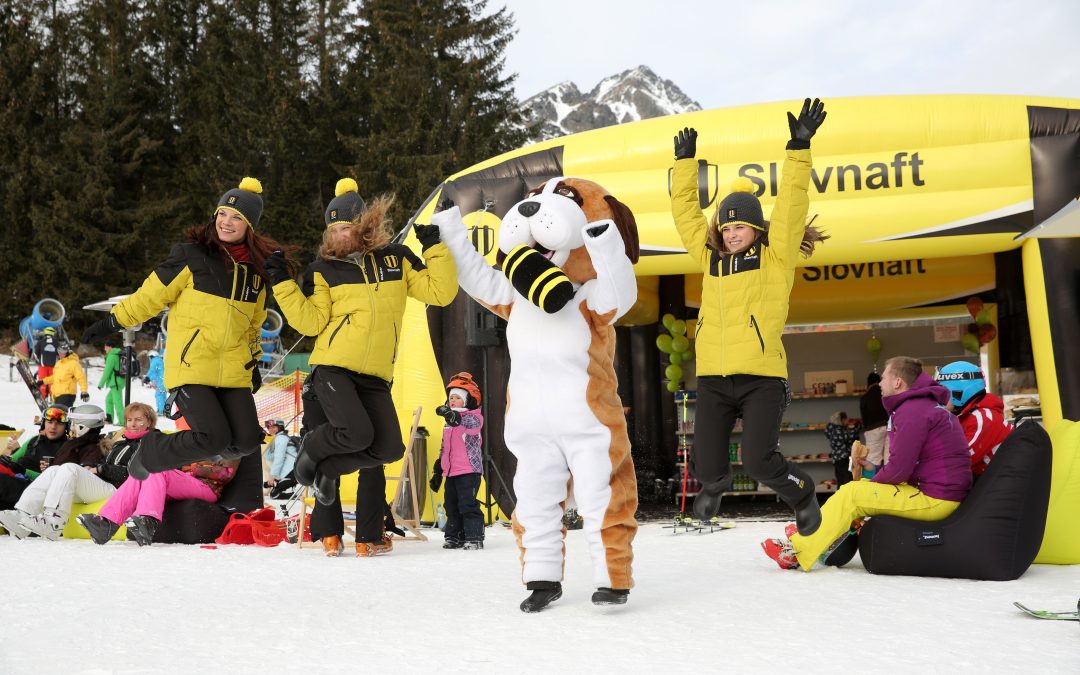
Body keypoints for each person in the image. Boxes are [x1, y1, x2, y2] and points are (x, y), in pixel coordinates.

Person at [670, 98, 830, 535]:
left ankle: (802, 492)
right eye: (725, 227)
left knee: (758, 461)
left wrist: (798, 148)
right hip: (715, 375)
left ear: (756, 229)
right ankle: (714, 487)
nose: (730, 232)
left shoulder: (775, 256)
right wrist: (685, 165)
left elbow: (793, 204)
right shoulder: (710, 258)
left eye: (739, 227)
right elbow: (686, 216)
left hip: (761, 375)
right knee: (707, 461)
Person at [79, 177, 298, 480]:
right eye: (222, 213)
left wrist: (253, 362)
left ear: (250, 225)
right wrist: (112, 321)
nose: (227, 222)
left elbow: (252, 325)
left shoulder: (255, 274)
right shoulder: (191, 255)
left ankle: (187, 459)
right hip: (192, 365)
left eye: (237, 217)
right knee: (212, 437)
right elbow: (149, 296)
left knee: (247, 441)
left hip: (234, 370)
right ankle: (150, 450)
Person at [263, 178, 457, 508]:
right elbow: (311, 322)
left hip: (377, 375)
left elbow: (441, 293)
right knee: (357, 434)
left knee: (389, 449)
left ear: (365, 226)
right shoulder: (323, 269)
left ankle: (328, 468)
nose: (340, 235)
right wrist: (281, 282)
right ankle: (310, 446)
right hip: (334, 368)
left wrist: (435, 249)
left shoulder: (396, 258)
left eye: (347, 227)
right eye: (334, 229)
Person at [762, 356, 973, 570]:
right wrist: (874, 470)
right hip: (938, 494)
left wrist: (872, 481)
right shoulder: (923, 407)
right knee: (857, 489)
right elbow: (910, 466)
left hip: (935, 499)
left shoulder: (912, 412)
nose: (880, 383)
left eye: (884, 377)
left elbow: (900, 470)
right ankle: (813, 533)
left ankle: (796, 551)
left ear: (897, 382)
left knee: (853, 494)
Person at [0, 403, 150, 540]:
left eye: (138, 420)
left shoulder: (148, 443)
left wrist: (100, 468)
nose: (133, 424)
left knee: (69, 468)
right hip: (102, 483)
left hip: (118, 489)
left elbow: (133, 473)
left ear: (149, 422)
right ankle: (22, 515)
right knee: (54, 470)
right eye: (129, 420)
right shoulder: (121, 443)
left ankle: (54, 522)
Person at [297, 377, 401, 558]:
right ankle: (367, 539)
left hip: (318, 385)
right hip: (362, 385)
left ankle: (330, 537)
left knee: (327, 453)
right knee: (372, 459)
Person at [78, 454, 239, 546]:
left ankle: (148, 521)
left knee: (157, 469)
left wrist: (190, 466)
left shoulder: (232, 442)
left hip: (207, 488)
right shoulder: (198, 438)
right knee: (140, 473)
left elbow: (224, 474)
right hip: (185, 480)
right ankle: (106, 523)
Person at [429, 373, 485, 550]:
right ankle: (454, 536)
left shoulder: (474, 417)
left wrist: (451, 416)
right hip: (451, 472)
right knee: (450, 505)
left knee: (467, 504)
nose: (452, 400)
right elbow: (445, 447)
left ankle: (474, 536)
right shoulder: (448, 423)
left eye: (457, 398)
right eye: (450, 397)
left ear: (468, 400)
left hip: (468, 471)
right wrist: (439, 469)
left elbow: (465, 423)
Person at [937, 361, 1013, 478]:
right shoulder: (967, 416)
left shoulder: (982, 418)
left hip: (996, 485)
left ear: (958, 392)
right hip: (988, 482)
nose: (938, 398)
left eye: (943, 392)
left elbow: (959, 461)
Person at [0, 404, 69, 514]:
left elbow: (55, 482)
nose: (53, 427)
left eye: (59, 423)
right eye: (50, 422)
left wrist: (23, 470)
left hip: (34, 489)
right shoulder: (34, 440)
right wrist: (4, 460)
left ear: (67, 426)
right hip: (15, 479)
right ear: (43, 423)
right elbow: (14, 458)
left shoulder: (67, 448)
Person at [859, 372, 889, 476]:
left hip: (873, 429)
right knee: (889, 456)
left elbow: (864, 416)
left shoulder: (866, 396)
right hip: (889, 426)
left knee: (873, 458)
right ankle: (891, 484)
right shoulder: (885, 393)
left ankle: (872, 484)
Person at [41, 343, 89, 408]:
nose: (60, 354)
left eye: (63, 352)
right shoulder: (59, 363)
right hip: (57, 395)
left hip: (67, 395)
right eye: (59, 351)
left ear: (67, 352)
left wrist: (84, 391)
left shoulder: (73, 363)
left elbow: (81, 378)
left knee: (60, 414)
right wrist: (43, 381)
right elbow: (56, 377)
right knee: (58, 415)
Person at [823, 411, 862, 486]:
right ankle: (846, 496)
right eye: (844, 419)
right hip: (843, 458)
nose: (846, 421)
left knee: (842, 480)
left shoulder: (833, 429)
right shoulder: (838, 430)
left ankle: (842, 495)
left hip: (838, 459)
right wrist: (857, 426)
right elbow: (849, 437)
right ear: (840, 420)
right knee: (847, 480)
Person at [98, 338, 126, 425]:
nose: (104, 348)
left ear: (110, 347)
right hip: (118, 381)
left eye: (105, 347)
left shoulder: (112, 356)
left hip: (116, 382)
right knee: (109, 400)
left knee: (118, 402)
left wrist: (101, 384)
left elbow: (107, 371)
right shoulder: (117, 354)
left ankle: (122, 421)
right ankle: (109, 418)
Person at [263, 419, 297, 491]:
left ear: (280, 427)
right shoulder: (279, 438)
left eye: (273, 427)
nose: (270, 429)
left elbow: (279, 458)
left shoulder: (281, 438)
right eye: (269, 427)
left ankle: (297, 494)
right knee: (271, 488)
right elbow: (268, 457)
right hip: (292, 470)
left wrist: (272, 476)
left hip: (293, 470)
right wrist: (268, 442)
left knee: (275, 494)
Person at [33, 326, 60, 400]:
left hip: (42, 366)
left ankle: (43, 397)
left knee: (42, 382)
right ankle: (53, 397)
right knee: (53, 382)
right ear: (53, 333)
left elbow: (35, 354)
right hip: (54, 366)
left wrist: (38, 362)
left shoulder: (40, 342)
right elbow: (60, 354)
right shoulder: (57, 343)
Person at [144, 349, 167, 414]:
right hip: (163, 380)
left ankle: (161, 411)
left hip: (160, 381)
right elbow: (156, 373)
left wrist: (147, 377)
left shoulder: (155, 361)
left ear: (151, 356)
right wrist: (150, 379)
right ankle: (164, 410)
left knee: (159, 395)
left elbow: (152, 370)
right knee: (163, 395)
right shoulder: (160, 360)